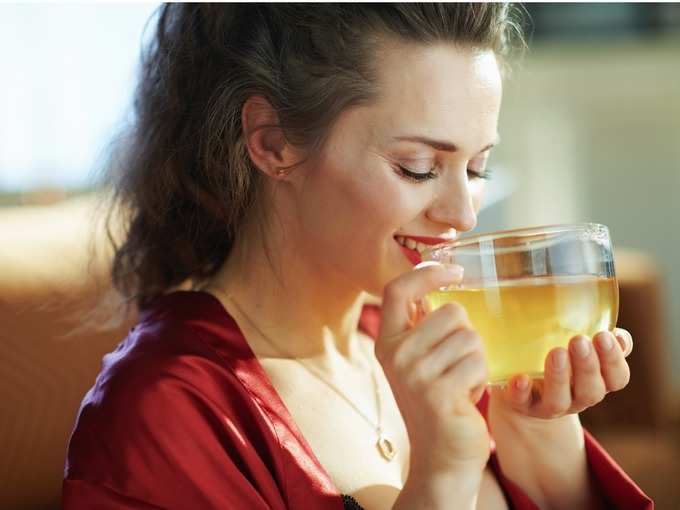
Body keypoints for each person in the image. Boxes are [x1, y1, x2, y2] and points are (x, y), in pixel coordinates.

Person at [63, 4, 653, 510]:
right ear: (273, 142)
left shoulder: (441, 342)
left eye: (476, 168)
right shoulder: (164, 412)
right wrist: (440, 477)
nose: (462, 214)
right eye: (417, 168)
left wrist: (535, 430)